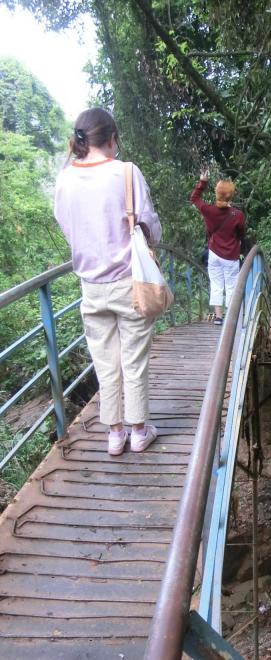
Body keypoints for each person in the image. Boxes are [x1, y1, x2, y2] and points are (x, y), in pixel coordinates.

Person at [54, 108, 162, 456]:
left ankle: (115, 435)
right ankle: (139, 430)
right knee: (133, 360)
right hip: (129, 283)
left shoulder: (65, 179)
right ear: (112, 139)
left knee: (105, 362)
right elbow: (150, 225)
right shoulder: (125, 173)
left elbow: (66, 224)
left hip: (90, 287)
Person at [190, 170, 246, 325]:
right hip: (231, 256)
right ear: (231, 195)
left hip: (214, 253)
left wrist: (203, 181)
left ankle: (219, 317)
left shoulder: (209, 210)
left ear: (217, 193)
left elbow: (194, 198)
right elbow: (241, 234)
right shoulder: (238, 215)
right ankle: (230, 317)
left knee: (216, 284)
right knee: (231, 286)